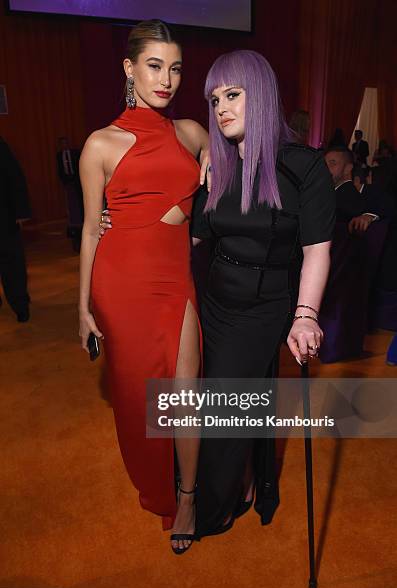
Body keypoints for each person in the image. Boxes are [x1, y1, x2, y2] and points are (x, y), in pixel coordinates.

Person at [102, 50, 336, 543]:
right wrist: (118, 226)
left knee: (223, 414)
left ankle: (214, 504)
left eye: (232, 95)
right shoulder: (217, 167)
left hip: (263, 307)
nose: (221, 108)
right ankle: (247, 485)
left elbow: (317, 251)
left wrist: (306, 315)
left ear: (262, 93)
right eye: (214, 99)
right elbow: (185, 232)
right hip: (213, 301)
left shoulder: (301, 166)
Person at [78, 20, 209, 554]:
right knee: (138, 400)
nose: (167, 79)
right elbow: (90, 229)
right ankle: (157, 482)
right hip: (121, 280)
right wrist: (82, 310)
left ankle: (188, 496)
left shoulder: (192, 133)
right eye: (155, 66)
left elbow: (234, 172)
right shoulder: (99, 144)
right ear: (130, 69)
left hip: (175, 277)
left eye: (175, 68)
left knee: (186, 393)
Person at [0, 136, 31, 322]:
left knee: (12, 265)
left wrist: (21, 212)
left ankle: (20, 304)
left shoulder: (1, 146)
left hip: (3, 218)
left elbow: (15, 178)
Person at [324, 146, 378, 232]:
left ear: (347, 168)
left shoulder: (346, 199)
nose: (325, 168)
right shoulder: (333, 194)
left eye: (332, 163)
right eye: (324, 164)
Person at [56, 137, 83, 251]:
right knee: (71, 206)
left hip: (78, 182)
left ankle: (82, 222)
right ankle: (74, 225)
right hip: (68, 183)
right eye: (62, 143)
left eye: (66, 142)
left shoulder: (75, 153)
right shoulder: (58, 156)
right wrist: (65, 181)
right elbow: (60, 170)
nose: (64, 145)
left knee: (79, 203)